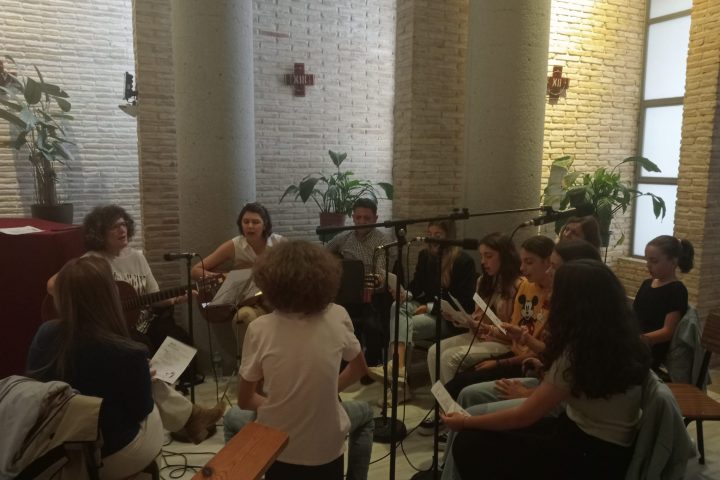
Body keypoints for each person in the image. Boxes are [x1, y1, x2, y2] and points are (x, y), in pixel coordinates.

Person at [444, 260, 652, 479]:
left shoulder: (578, 352)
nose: (550, 296)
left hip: (590, 455)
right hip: (605, 447)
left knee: (470, 442)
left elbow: (523, 416)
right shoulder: (617, 339)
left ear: (574, 302)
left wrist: (464, 422)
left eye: (556, 290)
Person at [46, 205, 223, 444]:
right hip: (110, 330)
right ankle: (188, 417)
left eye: (123, 224)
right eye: (114, 227)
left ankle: (185, 417)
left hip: (142, 323)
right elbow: (53, 284)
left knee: (177, 339)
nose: (122, 230)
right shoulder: (91, 262)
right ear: (99, 233)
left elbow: (152, 296)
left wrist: (173, 298)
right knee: (140, 355)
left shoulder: (137, 257)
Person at [439, 239, 601, 480]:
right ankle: (446, 467)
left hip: (572, 429)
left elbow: (534, 409)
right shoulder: (577, 318)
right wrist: (525, 341)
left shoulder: (586, 334)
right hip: (551, 392)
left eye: (554, 267)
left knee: (470, 435)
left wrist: (466, 423)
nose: (549, 273)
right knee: (467, 393)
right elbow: (553, 360)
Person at [227, 240, 370, 480]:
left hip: (278, 447)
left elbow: (245, 400)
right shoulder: (337, 315)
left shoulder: (259, 328)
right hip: (328, 450)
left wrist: (284, 404)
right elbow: (358, 369)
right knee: (366, 413)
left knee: (231, 418)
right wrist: (323, 393)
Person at [28, 256, 163, 479]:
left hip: (54, 452)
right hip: (107, 455)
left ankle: (191, 417)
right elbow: (142, 410)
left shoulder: (44, 334)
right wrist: (143, 380)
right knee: (157, 398)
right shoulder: (129, 352)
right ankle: (187, 421)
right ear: (110, 294)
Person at [366, 220, 477, 403]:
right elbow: (417, 285)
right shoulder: (425, 256)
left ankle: (399, 384)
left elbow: (465, 303)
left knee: (403, 325)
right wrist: (405, 294)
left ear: (449, 237)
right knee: (396, 307)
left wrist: (429, 308)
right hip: (428, 306)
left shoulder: (463, 261)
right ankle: (399, 371)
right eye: (429, 234)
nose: (432, 239)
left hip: (449, 318)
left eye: (437, 235)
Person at [443, 235, 554, 399]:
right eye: (522, 262)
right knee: (455, 379)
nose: (522, 268)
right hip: (514, 352)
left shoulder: (540, 290)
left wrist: (499, 361)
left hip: (525, 360)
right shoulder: (526, 286)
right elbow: (513, 330)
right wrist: (468, 321)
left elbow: (542, 352)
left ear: (548, 263)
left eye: (529, 262)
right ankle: (447, 409)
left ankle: (456, 411)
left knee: (462, 382)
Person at [424, 231, 520, 386]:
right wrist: (460, 318)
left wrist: (487, 328)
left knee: (449, 358)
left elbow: (514, 333)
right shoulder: (483, 281)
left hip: (504, 342)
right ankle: (441, 400)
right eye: (481, 256)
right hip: (480, 335)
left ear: (505, 256)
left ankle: (454, 399)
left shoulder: (518, 285)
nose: (483, 262)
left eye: (489, 256)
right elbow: (477, 317)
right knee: (433, 352)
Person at [191, 202, 284, 326]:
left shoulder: (279, 243)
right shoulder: (235, 245)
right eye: (246, 222)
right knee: (243, 316)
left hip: (276, 300)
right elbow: (195, 270)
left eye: (255, 222)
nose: (250, 226)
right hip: (249, 303)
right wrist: (223, 277)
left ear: (265, 225)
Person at [326, 197, 394, 367]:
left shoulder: (382, 242)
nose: (361, 221)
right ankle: (344, 363)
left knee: (372, 325)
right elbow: (323, 253)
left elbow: (381, 274)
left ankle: (370, 365)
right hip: (347, 294)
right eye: (358, 217)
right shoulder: (344, 237)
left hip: (373, 297)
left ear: (376, 219)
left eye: (367, 218)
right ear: (353, 217)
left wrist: (374, 280)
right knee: (333, 319)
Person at [634, 235, 694, 372]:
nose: (648, 265)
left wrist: (639, 340)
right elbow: (634, 316)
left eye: (654, 261)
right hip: (637, 343)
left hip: (651, 349)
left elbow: (667, 331)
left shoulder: (676, 290)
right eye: (647, 260)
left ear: (673, 262)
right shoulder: (646, 284)